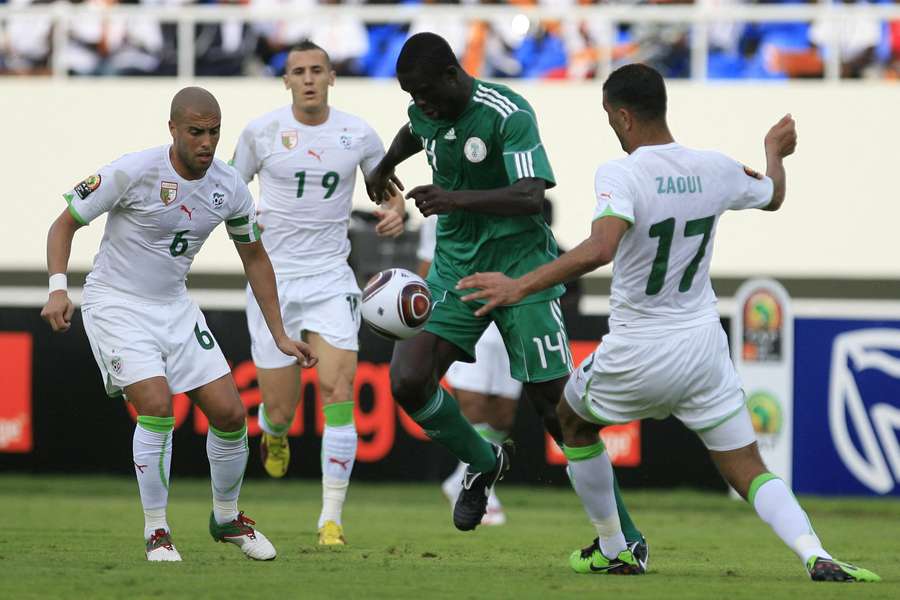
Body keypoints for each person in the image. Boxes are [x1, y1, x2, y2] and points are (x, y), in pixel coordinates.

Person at [458, 63, 881, 582]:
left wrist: (519, 285)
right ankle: (816, 553)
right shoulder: (715, 167)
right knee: (748, 467)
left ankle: (615, 546)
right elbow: (773, 194)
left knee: (570, 418)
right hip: (703, 347)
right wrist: (774, 152)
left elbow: (602, 246)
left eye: (609, 117)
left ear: (625, 115)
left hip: (638, 346)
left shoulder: (622, 173)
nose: (611, 127)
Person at [366, 33, 645, 560]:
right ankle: (484, 461)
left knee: (557, 412)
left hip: (524, 271)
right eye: (411, 94)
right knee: (406, 379)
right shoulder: (426, 108)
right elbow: (415, 130)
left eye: (425, 92)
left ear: (453, 74)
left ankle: (625, 535)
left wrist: (452, 198)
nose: (419, 103)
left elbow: (530, 196)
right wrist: (385, 165)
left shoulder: (507, 112)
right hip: (456, 267)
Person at [40, 87, 317, 563]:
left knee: (231, 414)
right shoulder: (133, 170)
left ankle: (227, 519)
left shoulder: (229, 187)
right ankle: (157, 531)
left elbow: (255, 258)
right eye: (196, 132)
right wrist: (58, 288)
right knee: (156, 405)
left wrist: (280, 334)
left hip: (174, 306)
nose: (206, 142)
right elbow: (64, 224)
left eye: (213, 132)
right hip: (116, 303)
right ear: (173, 129)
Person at [231, 41, 405, 546]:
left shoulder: (356, 132)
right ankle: (275, 432)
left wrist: (395, 210)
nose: (308, 79)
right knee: (281, 409)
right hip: (274, 282)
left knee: (338, 392)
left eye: (317, 70)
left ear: (332, 77)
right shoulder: (261, 133)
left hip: (332, 275)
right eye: (298, 72)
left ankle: (331, 518)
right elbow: (227, 191)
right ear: (285, 81)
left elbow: (387, 187)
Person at [417, 215, 517, 526]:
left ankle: (460, 478)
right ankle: (478, 483)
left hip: (511, 309)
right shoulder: (437, 215)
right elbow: (426, 266)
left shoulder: (515, 201)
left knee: (503, 413)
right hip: (464, 311)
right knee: (473, 403)